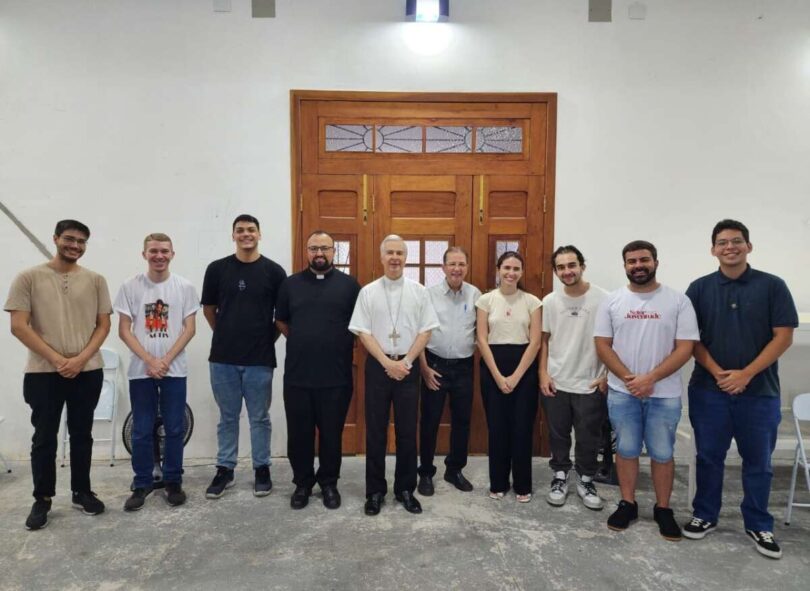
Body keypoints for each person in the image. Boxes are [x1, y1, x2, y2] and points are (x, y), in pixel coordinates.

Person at [683, 219, 797, 559]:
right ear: (713, 250)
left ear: (749, 246)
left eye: (736, 241)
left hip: (759, 392)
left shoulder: (772, 286)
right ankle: (705, 515)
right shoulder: (699, 289)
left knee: (758, 462)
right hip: (709, 390)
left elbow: (783, 336)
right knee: (708, 457)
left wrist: (746, 374)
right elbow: (690, 339)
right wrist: (720, 373)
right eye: (722, 242)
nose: (729, 247)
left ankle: (759, 524)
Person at [5, 220, 112, 530]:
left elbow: (103, 325)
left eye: (81, 241)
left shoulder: (96, 280)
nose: (75, 245)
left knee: (82, 434)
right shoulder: (28, 278)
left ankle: (82, 491)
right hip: (43, 373)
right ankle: (42, 498)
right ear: (55, 238)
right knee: (44, 437)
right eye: (69, 239)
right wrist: (58, 360)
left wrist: (79, 359)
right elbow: (18, 326)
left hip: (87, 371)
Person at [594, 240, 699, 541]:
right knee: (626, 450)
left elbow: (686, 347)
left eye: (644, 260)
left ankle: (663, 509)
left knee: (662, 452)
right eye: (632, 261)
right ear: (625, 265)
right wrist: (630, 379)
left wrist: (650, 378)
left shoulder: (678, 301)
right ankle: (628, 504)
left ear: (655, 262)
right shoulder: (612, 301)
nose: (638, 265)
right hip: (622, 392)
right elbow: (602, 345)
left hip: (663, 394)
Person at [349, 235, 439, 516]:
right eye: (390, 252)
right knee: (375, 431)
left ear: (406, 257)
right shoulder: (368, 292)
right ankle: (375, 491)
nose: (395, 258)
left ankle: (405, 489)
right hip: (378, 366)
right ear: (381, 256)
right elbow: (363, 332)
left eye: (400, 253)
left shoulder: (419, 291)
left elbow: (426, 330)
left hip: (408, 367)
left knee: (407, 431)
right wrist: (387, 362)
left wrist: (406, 362)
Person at [201, 214, 287, 499]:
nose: (246, 234)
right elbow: (209, 309)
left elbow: (281, 317)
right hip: (223, 359)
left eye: (251, 230)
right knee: (227, 417)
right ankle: (225, 469)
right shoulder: (217, 269)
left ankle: (262, 468)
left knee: (259, 418)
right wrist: (225, 334)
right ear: (233, 235)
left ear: (259, 234)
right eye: (240, 230)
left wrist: (263, 341)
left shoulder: (274, 272)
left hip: (260, 360)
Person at [275, 230, 360, 510]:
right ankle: (302, 484)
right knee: (299, 435)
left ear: (334, 251)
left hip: (336, 376)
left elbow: (359, 326)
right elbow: (282, 321)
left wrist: (334, 342)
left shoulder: (350, 286)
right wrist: (305, 338)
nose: (319, 253)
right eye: (314, 248)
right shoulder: (290, 285)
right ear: (307, 251)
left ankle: (329, 483)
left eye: (325, 248)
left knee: (332, 434)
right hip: (298, 375)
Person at [114, 233, 200, 511]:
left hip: (174, 370)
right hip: (141, 371)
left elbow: (189, 329)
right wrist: (150, 360)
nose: (159, 256)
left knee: (174, 427)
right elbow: (124, 330)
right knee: (141, 428)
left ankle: (173, 480)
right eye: (153, 251)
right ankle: (142, 482)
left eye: (164, 251)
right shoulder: (130, 286)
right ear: (144, 254)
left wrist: (165, 361)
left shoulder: (184, 287)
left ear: (172, 254)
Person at [540, 245, 608, 510]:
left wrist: (607, 375)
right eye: (561, 267)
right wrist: (543, 373)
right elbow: (544, 341)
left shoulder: (603, 299)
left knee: (588, 436)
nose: (567, 271)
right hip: (557, 380)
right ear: (555, 271)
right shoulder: (550, 301)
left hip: (590, 381)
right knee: (558, 434)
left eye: (571, 265)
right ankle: (559, 476)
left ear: (582, 266)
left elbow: (614, 340)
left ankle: (586, 480)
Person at [476, 251, 542, 503]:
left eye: (516, 269)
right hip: (492, 365)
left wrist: (515, 377)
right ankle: (499, 482)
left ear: (521, 272)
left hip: (524, 368)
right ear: (498, 269)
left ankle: (523, 484)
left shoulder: (532, 302)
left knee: (522, 427)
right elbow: (482, 339)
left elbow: (535, 342)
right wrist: (497, 375)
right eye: (506, 268)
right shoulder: (485, 300)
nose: (511, 273)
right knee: (497, 427)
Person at [417, 247, 481, 496]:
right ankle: (425, 472)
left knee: (462, 421)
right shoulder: (428, 295)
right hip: (434, 365)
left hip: (464, 367)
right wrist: (424, 368)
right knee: (430, 421)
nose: (456, 269)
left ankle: (454, 470)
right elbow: (419, 333)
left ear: (467, 267)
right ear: (443, 267)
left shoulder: (474, 294)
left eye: (461, 264)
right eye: (452, 264)